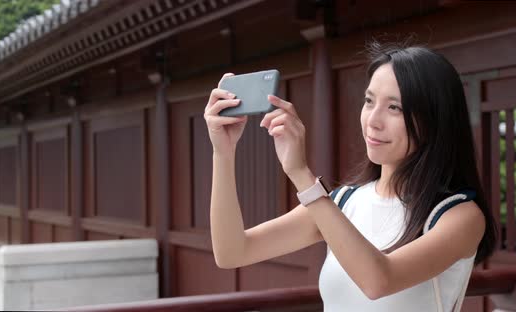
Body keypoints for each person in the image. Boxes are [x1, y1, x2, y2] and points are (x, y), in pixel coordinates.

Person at [204, 43, 497, 312]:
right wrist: (223, 153)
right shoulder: (344, 202)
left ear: (434, 119)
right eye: (369, 102)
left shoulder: (457, 215)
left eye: (394, 107)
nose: (373, 120)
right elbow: (232, 252)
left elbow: (378, 281)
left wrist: (300, 174)